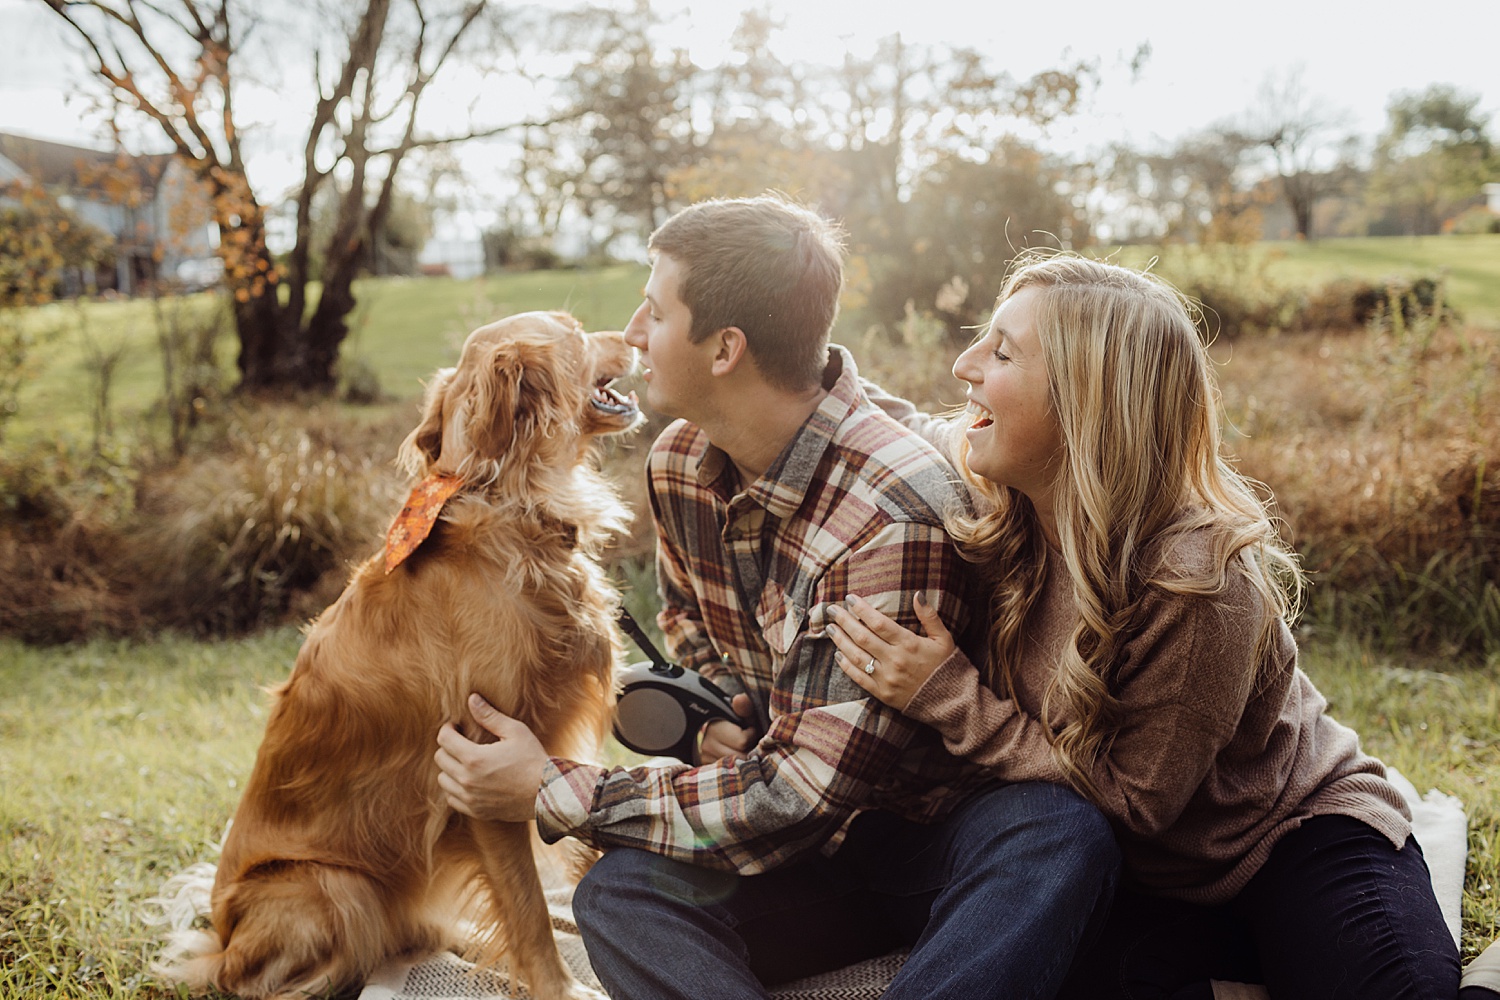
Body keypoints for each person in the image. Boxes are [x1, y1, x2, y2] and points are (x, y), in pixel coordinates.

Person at [433, 197, 1118, 1000]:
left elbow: (799, 794)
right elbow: (691, 625)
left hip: (928, 840)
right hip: (800, 858)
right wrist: (721, 711)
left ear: (726, 349)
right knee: (620, 891)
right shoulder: (680, 464)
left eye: (655, 310)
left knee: (1057, 836)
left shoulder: (890, 511)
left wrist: (548, 786)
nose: (634, 332)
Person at [823, 251, 1462, 1000]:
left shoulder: (1198, 580)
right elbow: (887, 419)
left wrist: (950, 694)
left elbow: (1137, 803)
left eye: (1001, 352)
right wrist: (797, 359)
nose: (964, 365)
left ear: (1085, 402)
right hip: (1145, 881)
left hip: (1288, 844)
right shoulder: (993, 479)